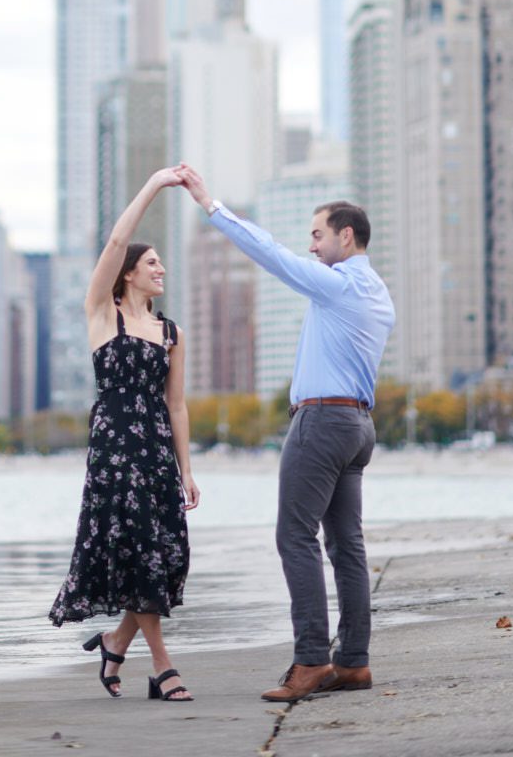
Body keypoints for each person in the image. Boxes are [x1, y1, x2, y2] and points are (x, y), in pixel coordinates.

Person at [176, 163, 394, 703]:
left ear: (347, 236)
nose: (313, 246)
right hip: (358, 425)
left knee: (294, 537)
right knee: (347, 545)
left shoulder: (340, 286)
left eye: (318, 235)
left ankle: (313, 659)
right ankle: (354, 663)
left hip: (321, 422)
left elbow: (272, 255)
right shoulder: (378, 294)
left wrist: (211, 204)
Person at [49, 169, 200, 702]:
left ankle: (116, 643)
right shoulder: (100, 313)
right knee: (134, 551)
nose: (161, 268)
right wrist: (156, 184)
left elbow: (175, 403)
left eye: (161, 261)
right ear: (129, 273)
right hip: (114, 449)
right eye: (152, 261)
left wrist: (186, 469)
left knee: (159, 554)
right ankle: (163, 667)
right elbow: (115, 239)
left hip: (156, 449)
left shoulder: (171, 332)